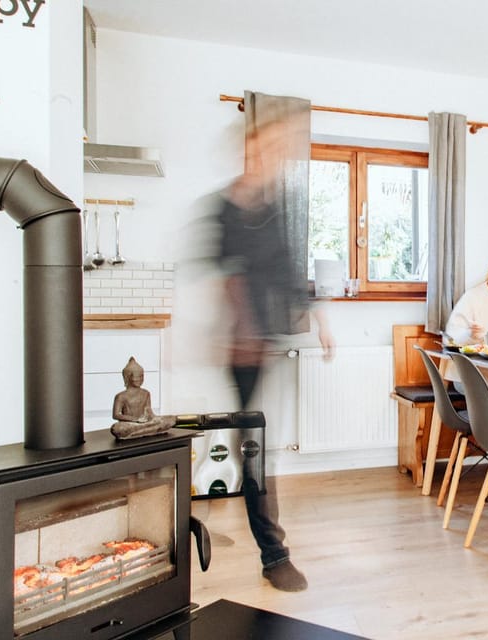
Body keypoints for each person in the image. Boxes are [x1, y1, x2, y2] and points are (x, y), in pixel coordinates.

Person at [214, 114, 335, 592]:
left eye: (274, 153)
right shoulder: (225, 207)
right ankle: (274, 555)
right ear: (246, 154)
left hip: (267, 344)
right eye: (260, 152)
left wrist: (321, 318)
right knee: (256, 454)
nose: (268, 160)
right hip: (242, 350)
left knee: (262, 454)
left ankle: (272, 552)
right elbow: (224, 272)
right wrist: (241, 329)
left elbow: (287, 270)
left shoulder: (273, 208)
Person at [110, 357, 176, 439]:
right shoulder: (121, 396)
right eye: (136, 376)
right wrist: (136, 419)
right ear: (127, 377)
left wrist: (153, 418)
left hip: (145, 423)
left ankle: (140, 432)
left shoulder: (146, 393)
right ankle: (148, 430)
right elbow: (116, 415)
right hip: (130, 424)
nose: (139, 379)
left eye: (141, 376)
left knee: (172, 419)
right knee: (117, 429)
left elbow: (149, 411)